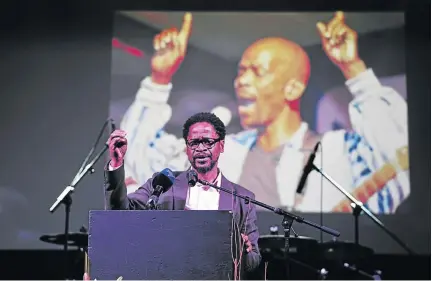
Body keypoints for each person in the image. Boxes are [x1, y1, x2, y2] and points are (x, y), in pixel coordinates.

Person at [117, 12, 409, 214]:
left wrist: (354, 70)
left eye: (256, 72)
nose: (241, 80)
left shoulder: (338, 152)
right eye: (240, 71)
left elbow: (401, 157)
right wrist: (159, 79)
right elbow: (136, 159)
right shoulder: (222, 153)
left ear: (292, 89)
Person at [105, 112, 261, 274]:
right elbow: (119, 212)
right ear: (186, 148)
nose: (201, 148)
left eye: (208, 142)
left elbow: (253, 261)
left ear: (221, 146)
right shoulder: (162, 184)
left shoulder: (242, 199)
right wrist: (116, 164)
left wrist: (244, 252)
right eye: (194, 143)